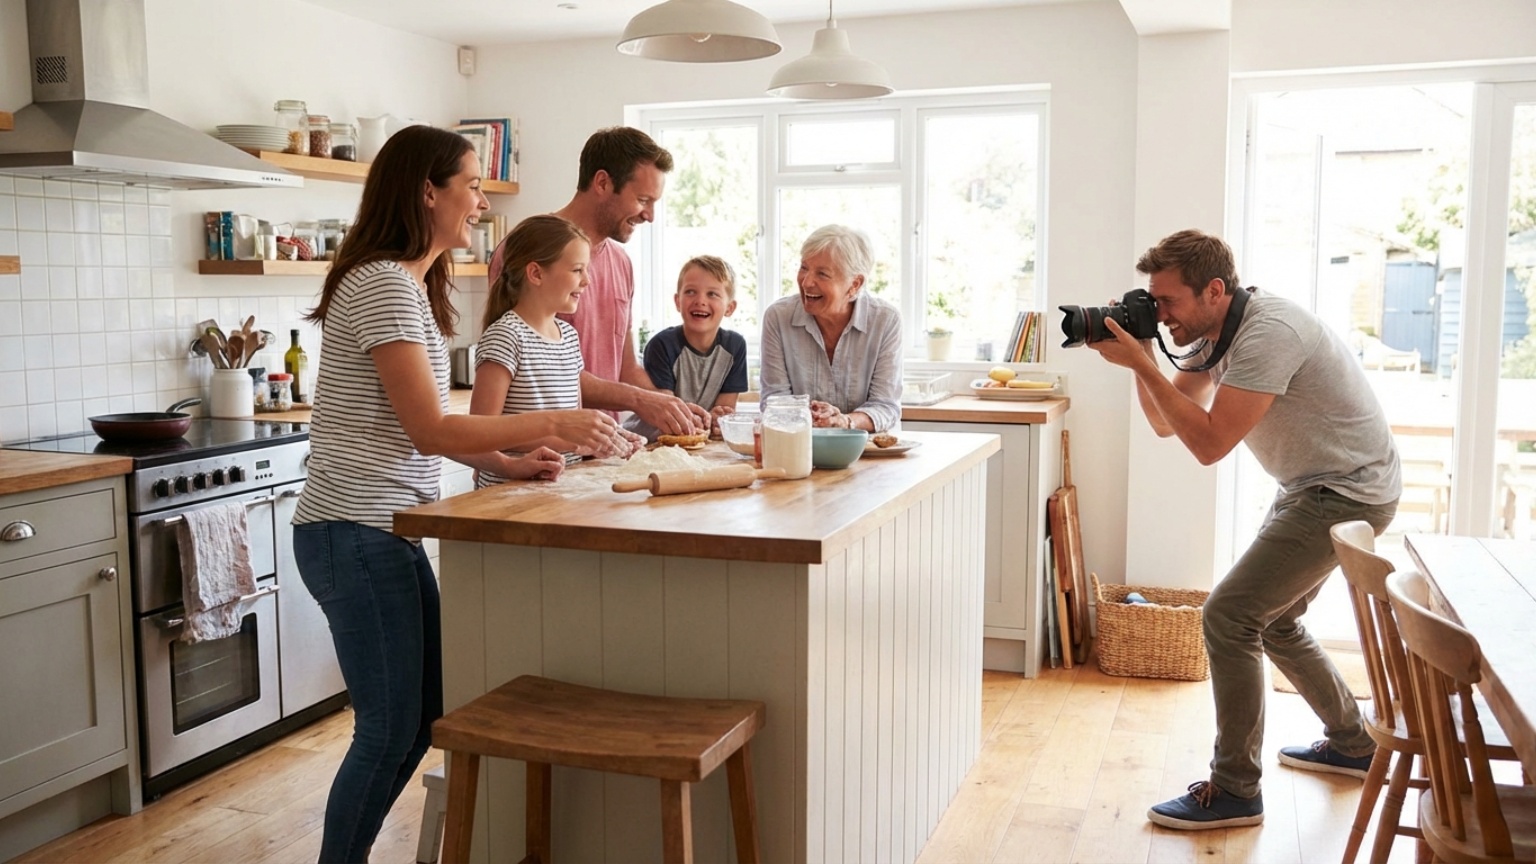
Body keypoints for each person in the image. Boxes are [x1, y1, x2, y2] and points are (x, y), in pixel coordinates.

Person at [290, 125, 622, 863]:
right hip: (355, 530)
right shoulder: (381, 283)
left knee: (421, 719)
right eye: (472, 185)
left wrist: (509, 464)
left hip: (387, 528)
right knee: (387, 729)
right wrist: (556, 421)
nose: (480, 201)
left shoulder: (408, 285)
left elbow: (424, 435)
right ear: (426, 190)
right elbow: (432, 429)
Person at [1087, 229, 1401, 830]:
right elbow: (1163, 423)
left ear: (1213, 290)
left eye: (1169, 302)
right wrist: (1142, 357)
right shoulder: (1215, 330)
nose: (1160, 314)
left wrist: (1140, 361)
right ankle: (1354, 745)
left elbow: (1208, 444)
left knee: (1229, 615)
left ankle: (1235, 790)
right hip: (1316, 486)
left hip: (1345, 491)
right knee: (1274, 619)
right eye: (1152, 301)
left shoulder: (1268, 334)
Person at [488, 125, 711, 437]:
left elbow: (626, 368)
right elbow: (533, 369)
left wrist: (670, 405)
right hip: (536, 459)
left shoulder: (621, 263)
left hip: (601, 455)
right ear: (603, 183)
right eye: (643, 199)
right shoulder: (527, 251)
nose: (650, 215)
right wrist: (639, 399)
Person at [471, 214, 644, 485]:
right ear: (536, 273)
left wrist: (607, 439)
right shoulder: (506, 337)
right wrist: (575, 440)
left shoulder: (568, 338)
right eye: (577, 270)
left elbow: (572, 423)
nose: (587, 280)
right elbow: (478, 434)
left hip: (558, 491)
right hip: (507, 496)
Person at [759, 224, 902, 432]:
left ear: (855, 284)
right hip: (800, 447)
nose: (807, 282)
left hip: (869, 450)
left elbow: (886, 406)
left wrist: (844, 421)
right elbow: (774, 401)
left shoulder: (885, 320)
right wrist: (812, 418)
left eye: (822, 274)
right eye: (804, 268)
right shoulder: (778, 317)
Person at [623, 255, 749, 441]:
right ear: (677, 301)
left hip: (696, 438)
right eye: (690, 292)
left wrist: (719, 417)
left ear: (730, 308)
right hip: (651, 440)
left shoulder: (735, 347)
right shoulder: (662, 345)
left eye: (712, 294)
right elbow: (668, 412)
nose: (700, 300)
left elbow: (725, 411)